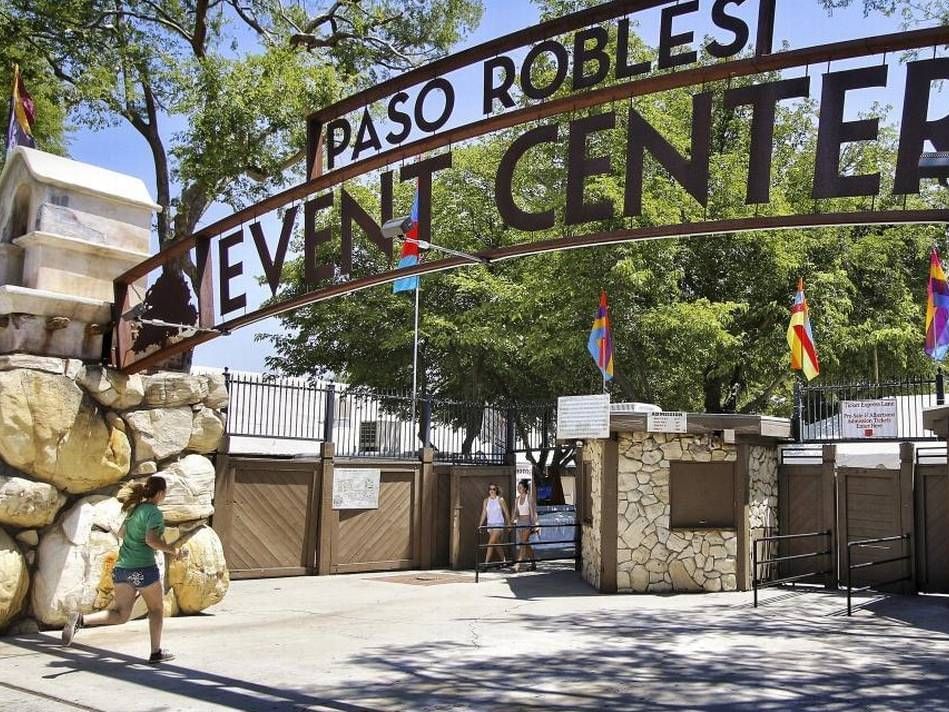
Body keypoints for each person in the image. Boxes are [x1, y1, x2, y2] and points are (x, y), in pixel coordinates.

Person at [61, 476, 182, 664]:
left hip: (123, 569)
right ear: (160, 493)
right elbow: (151, 540)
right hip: (143, 569)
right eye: (165, 492)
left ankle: (81, 620)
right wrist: (172, 550)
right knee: (156, 609)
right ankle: (156, 652)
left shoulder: (135, 510)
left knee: (121, 614)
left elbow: (121, 533)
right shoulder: (154, 513)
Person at [478, 483, 511, 565]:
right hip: (490, 524)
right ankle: (504, 561)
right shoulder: (486, 500)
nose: (492, 491)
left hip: (498, 524)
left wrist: (509, 524)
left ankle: (486, 563)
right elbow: (484, 513)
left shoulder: (500, 499)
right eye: (490, 489)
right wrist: (480, 524)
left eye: (494, 489)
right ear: (488, 491)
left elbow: (506, 512)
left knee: (491, 542)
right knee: (496, 543)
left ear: (496, 490)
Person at [513, 478, 540, 572]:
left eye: (520, 487)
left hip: (528, 522)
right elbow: (515, 512)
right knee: (526, 543)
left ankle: (517, 564)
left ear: (524, 488)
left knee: (523, 544)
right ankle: (533, 563)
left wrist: (536, 524)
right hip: (520, 522)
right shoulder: (517, 499)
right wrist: (512, 521)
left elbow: (533, 512)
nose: (518, 489)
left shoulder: (529, 498)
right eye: (518, 487)